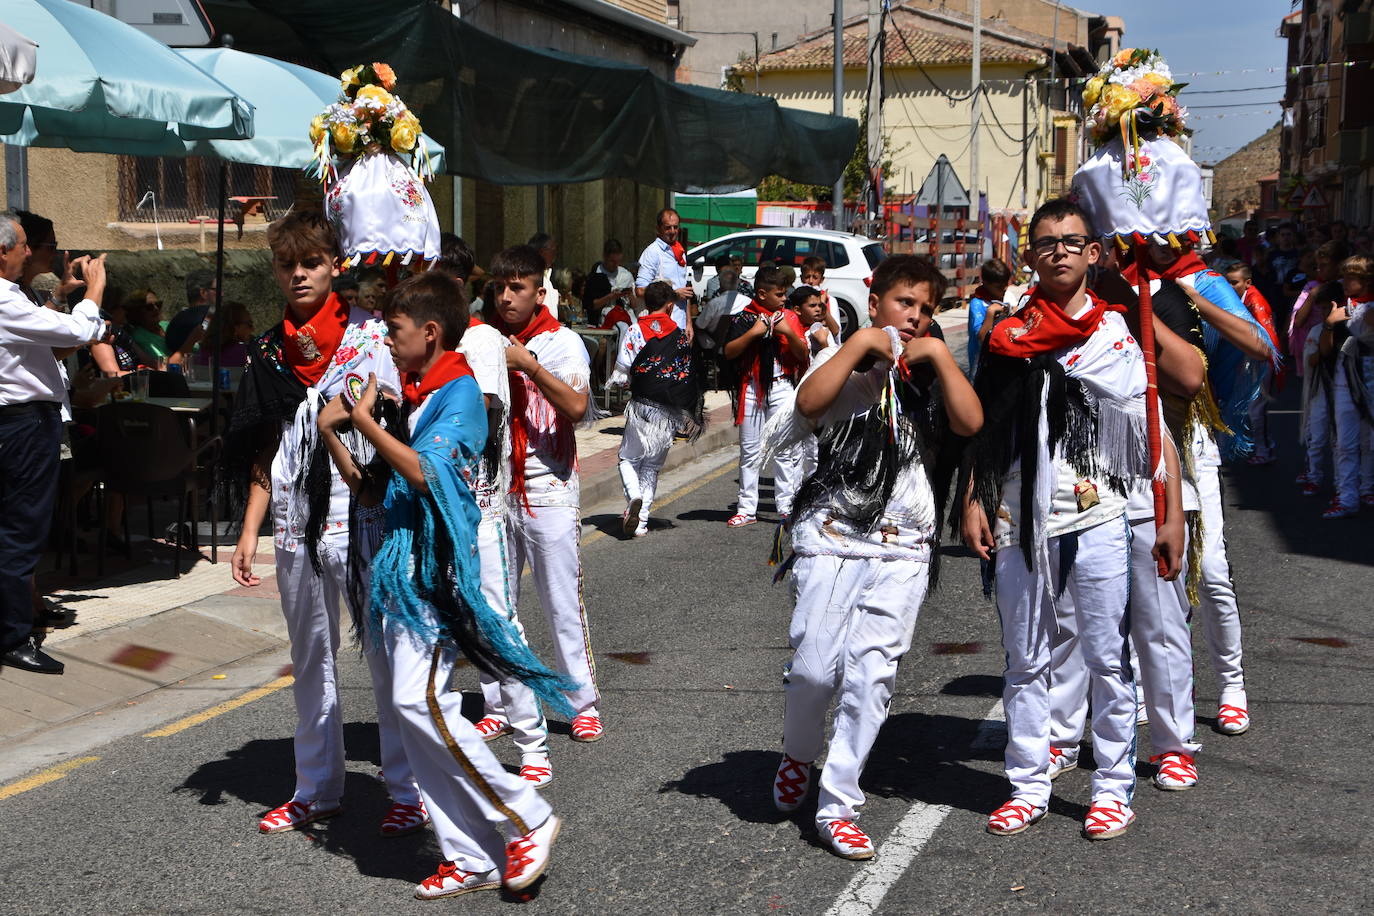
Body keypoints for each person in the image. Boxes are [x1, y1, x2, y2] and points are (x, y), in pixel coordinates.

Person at [960, 198, 1183, 841]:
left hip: (1103, 515)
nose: (1057, 250)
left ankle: (1113, 789)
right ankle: (1027, 783)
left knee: (1107, 658)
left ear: (1093, 254)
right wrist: (974, 498)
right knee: (1026, 657)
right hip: (1020, 516)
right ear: (1030, 254)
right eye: (1045, 241)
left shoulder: (1117, 331)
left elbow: (1150, 422)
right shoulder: (1005, 336)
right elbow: (987, 426)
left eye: (1071, 240)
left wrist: (1170, 515)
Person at [346, 271, 568, 899]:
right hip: (401, 569)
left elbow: (425, 476)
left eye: (396, 329)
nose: (388, 341)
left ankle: (528, 813)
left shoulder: (460, 394)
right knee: (413, 716)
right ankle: (470, 856)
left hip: (435, 573)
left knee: (425, 705)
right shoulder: (419, 393)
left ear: (431, 331)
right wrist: (345, 428)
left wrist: (366, 422)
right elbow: (377, 486)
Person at [768, 255, 982, 860]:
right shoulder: (845, 359)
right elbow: (809, 406)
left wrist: (940, 357)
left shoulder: (934, 372)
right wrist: (863, 341)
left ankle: (838, 801)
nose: (913, 317)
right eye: (903, 304)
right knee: (814, 669)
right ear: (875, 299)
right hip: (832, 535)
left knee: (871, 675)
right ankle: (798, 754)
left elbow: (971, 423)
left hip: (905, 546)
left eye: (926, 308)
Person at [225, 209, 401, 834]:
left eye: (310, 263)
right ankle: (316, 786)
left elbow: (392, 431)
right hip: (296, 514)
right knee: (309, 653)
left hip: (360, 509)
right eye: (286, 265)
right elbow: (266, 444)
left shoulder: (370, 336)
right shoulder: (269, 348)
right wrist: (251, 527)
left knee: (382, 648)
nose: (298, 274)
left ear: (334, 267)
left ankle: (404, 788)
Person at [431, 255, 554, 788]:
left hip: (479, 511)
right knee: (438, 633)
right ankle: (436, 751)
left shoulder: (478, 341)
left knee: (500, 624)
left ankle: (533, 744)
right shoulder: (410, 350)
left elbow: (491, 414)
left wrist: (447, 412)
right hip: (434, 518)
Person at [488, 244, 604, 743]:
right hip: (493, 488)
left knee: (560, 600)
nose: (507, 297)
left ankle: (582, 701)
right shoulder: (481, 339)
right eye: (500, 288)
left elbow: (577, 407)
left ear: (540, 292)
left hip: (547, 485)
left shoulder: (563, 343)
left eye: (518, 288)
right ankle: (498, 699)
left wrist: (528, 366)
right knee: (494, 602)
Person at [0, 210, 109, 674]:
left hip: (19, 423)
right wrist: (95, 290)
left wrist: (64, 297)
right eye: (24, 244)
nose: (30, 252)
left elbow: (52, 341)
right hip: (21, 425)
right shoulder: (4, 299)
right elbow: (78, 333)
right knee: (20, 531)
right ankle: (12, 635)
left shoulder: (15, 300)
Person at [608, 280, 702, 537]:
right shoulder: (680, 335)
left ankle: (633, 496)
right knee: (650, 467)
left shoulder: (635, 330)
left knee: (628, 458)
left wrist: (631, 381)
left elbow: (621, 373)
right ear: (670, 306)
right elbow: (685, 374)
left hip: (641, 406)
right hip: (668, 411)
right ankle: (641, 522)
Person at [723, 264, 808, 528]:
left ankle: (786, 507)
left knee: (784, 449)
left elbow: (803, 353)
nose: (785, 299)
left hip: (782, 387)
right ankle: (746, 508)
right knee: (750, 452)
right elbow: (728, 352)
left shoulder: (788, 318)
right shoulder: (744, 318)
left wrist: (788, 333)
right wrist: (753, 334)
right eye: (780, 295)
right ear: (762, 294)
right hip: (751, 388)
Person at [1324, 254, 1374, 517]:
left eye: (1350, 277)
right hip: (1345, 378)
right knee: (1345, 441)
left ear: (1365, 280)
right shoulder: (1342, 306)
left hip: (1370, 378)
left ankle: (1367, 488)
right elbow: (1327, 347)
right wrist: (1331, 323)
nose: (1344, 281)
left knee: (1369, 440)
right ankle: (1347, 497)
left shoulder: (1362, 309)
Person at [1225, 263, 1282, 465]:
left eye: (1234, 282)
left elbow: (1265, 337)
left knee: (1256, 409)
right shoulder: (1243, 298)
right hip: (1253, 359)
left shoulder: (1255, 301)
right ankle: (1262, 447)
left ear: (1247, 282)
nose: (1230, 286)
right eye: (1228, 282)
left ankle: (1265, 450)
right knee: (1252, 408)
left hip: (1261, 361)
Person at [636, 208, 694, 337]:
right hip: (659, 328)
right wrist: (673, 293)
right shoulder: (652, 252)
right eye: (668, 228)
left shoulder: (680, 252)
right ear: (658, 229)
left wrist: (689, 323)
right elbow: (640, 291)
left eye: (675, 227)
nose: (672, 231)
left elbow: (685, 293)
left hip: (680, 324)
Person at [966, 258, 1011, 376]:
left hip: (999, 359)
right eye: (999, 286)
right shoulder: (977, 303)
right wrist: (990, 314)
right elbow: (981, 337)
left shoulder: (1004, 296)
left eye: (1006, 284)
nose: (1005, 289)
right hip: (981, 361)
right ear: (986, 283)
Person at [163, 269, 217, 361]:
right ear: (203, 293)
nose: (222, 294)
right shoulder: (213, 314)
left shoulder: (177, 320)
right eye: (216, 290)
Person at [582, 238, 633, 327]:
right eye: (612, 261)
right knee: (621, 326)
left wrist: (629, 294)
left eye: (617, 261)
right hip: (605, 316)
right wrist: (610, 297)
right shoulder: (596, 276)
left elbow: (635, 304)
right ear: (605, 257)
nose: (615, 264)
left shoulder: (626, 275)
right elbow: (590, 305)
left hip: (626, 313)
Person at [798, 256, 844, 338]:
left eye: (815, 277)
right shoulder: (795, 298)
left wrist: (822, 305)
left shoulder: (830, 300)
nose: (811, 281)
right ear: (801, 278)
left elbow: (836, 332)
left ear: (822, 279)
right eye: (807, 277)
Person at [124, 288, 171, 365]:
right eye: (149, 307)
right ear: (137, 311)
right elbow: (162, 364)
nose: (156, 309)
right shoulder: (138, 336)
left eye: (158, 304)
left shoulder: (166, 325)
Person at [528, 232, 560, 312]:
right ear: (542, 252)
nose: (555, 255)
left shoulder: (547, 277)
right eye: (553, 251)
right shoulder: (530, 277)